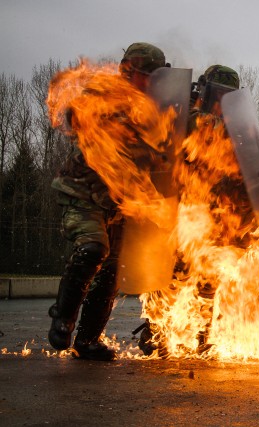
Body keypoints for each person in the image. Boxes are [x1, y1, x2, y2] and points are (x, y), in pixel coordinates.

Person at [48, 42, 168, 361]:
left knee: (112, 268)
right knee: (93, 248)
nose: (149, 82)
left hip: (117, 203)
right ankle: (63, 319)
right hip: (82, 193)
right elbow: (73, 117)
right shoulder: (104, 92)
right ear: (130, 70)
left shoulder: (156, 110)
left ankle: (87, 341)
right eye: (146, 74)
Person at [137, 64, 244, 355]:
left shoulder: (233, 129)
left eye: (230, 97)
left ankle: (202, 336)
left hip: (214, 212)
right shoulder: (188, 115)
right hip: (180, 211)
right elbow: (201, 129)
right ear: (207, 92)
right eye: (219, 94)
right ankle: (157, 331)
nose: (223, 101)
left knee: (210, 276)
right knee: (172, 276)